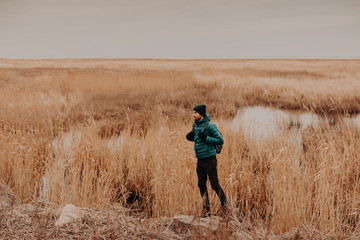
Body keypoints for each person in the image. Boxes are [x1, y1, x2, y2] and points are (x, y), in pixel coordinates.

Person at [186, 104, 228, 217]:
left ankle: (225, 206)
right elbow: (197, 139)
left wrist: (206, 138)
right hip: (200, 160)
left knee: (214, 184)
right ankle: (207, 209)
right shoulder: (195, 125)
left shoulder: (210, 126)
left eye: (195, 112)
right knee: (201, 184)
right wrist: (191, 136)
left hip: (210, 159)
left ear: (201, 114)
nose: (193, 115)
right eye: (193, 112)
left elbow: (220, 140)